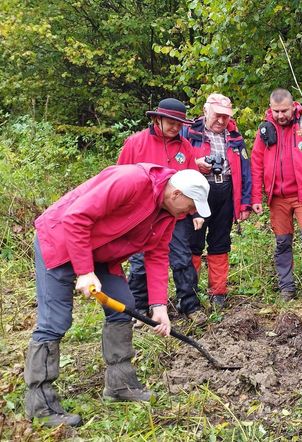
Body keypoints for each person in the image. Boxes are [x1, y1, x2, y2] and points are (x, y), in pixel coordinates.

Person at [24, 164, 210, 427]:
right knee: (54, 322)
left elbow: (156, 255)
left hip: (101, 251)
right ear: (176, 194)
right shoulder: (131, 181)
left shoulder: (169, 214)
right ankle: (40, 405)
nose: (190, 213)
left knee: (124, 306)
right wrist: (85, 271)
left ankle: (120, 384)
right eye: (191, 206)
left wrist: (159, 306)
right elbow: (77, 217)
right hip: (60, 241)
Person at [117, 98, 207, 325]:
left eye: (179, 123)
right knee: (140, 263)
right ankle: (139, 308)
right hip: (143, 215)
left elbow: (195, 180)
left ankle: (190, 305)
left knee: (182, 259)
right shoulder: (135, 143)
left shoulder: (184, 146)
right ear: (157, 118)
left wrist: (196, 213)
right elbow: (119, 178)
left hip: (176, 213)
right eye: (171, 121)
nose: (175, 127)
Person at [251, 88, 302, 300]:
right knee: (282, 242)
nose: (280, 115)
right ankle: (287, 288)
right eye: (276, 111)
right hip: (278, 198)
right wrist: (256, 197)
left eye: (284, 110)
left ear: (293, 106)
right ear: (270, 109)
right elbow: (256, 164)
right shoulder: (265, 130)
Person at [181, 93, 252, 308]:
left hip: (226, 191)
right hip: (196, 193)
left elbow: (246, 171)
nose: (222, 121)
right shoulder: (189, 132)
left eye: (226, 116)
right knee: (193, 243)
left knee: (220, 242)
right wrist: (196, 163)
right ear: (205, 111)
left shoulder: (235, 137)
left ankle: (218, 292)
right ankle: (189, 292)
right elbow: (177, 162)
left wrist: (245, 201)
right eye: (217, 115)